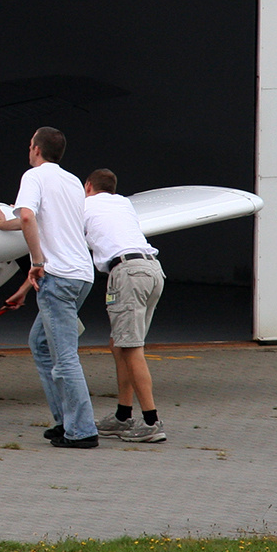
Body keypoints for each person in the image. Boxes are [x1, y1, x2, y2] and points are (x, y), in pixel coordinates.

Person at [0, 127, 99, 448]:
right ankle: (65, 421)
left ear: (35, 148)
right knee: (39, 343)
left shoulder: (34, 177)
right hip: (81, 277)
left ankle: (81, 431)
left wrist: (36, 262)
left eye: (29, 144)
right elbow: (32, 218)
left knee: (64, 357)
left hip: (58, 277)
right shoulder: (72, 182)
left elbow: (27, 218)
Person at [82, 168, 167, 443]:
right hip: (153, 271)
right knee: (119, 344)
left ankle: (152, 421)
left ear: (88, 186)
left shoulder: (84, 204)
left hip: (126, 273)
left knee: (131, 348)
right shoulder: (123, 203)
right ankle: (122, 415)